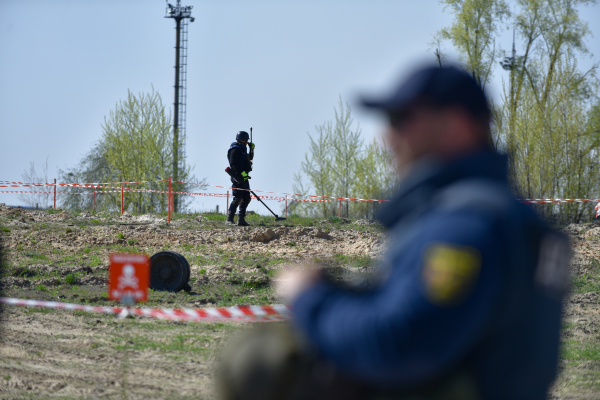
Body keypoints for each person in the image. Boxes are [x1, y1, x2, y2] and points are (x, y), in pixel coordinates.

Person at [218, 65, 570, 400]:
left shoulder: (466, 224)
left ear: (457, 124)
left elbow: (402, 342)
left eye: (402, 119)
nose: (387, 136)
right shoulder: (504, 215)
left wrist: (312, 299)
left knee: (257, 362)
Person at [226, 130, 255, 226]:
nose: (247, 142)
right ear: (243, 140)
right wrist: (242, 173)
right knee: (238, 198)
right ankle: (229, 219)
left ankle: (241, 220)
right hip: (237, 177)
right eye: (247, 141)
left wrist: (252, 150)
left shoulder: (243, 149)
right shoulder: (235, 149)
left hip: (244, 177)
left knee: (246, 198)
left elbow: (249, 159)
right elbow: (233, 164)